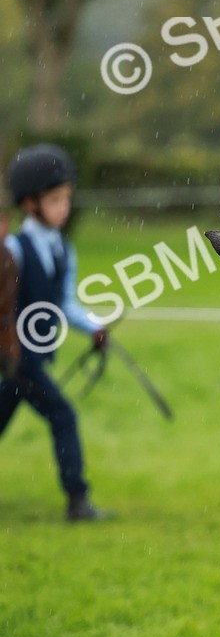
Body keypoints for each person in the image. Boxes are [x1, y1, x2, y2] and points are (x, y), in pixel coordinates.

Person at [1, 143, 113, 521]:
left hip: (30, 360)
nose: (64, 207)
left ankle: (77, 500)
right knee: (63, 416)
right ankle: (78, 500)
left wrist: (95, 327)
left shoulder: (64, 250)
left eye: (66, 198)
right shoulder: (13, 248)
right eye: (55, 199)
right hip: (18, 361)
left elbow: (65, 303)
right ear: (30, 204)